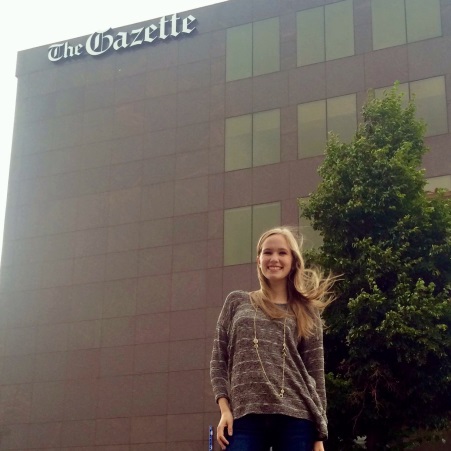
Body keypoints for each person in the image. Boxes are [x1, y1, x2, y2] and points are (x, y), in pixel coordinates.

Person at [210, 226, 336, 451]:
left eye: (282, 252)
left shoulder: (306, 310)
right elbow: (219, 360)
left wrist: (319, 434)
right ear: (258, 260)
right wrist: (225, 409)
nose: (274, 258)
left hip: (296, 416)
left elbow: (315, 372)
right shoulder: (237, 302)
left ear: (293, 261)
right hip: (245, 415)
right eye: (267, 252)